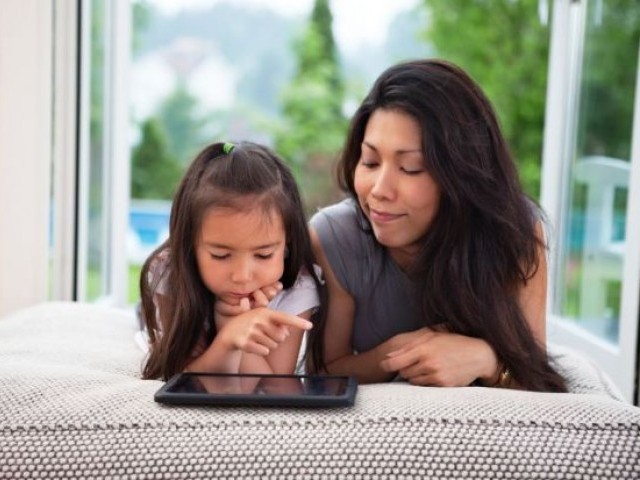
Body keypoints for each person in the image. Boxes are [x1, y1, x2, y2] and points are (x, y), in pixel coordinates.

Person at [307, 59, 567, 392]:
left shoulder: (515, 232)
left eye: (411, 168)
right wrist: (401, 351)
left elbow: (539, 383)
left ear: (461, 175)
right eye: (370, 161)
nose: (379, 190)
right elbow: (322, 373)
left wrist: (486, 360)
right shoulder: (334, 237)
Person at [139, 141, 325, 381]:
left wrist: (241, 329)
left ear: (287, 244)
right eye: (221, 255)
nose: (242, 275)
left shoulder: (297, 288)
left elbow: (274, 387)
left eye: (264, 255)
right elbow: (183, 381)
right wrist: (229, 337)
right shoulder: (171, 274)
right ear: (190, 246)